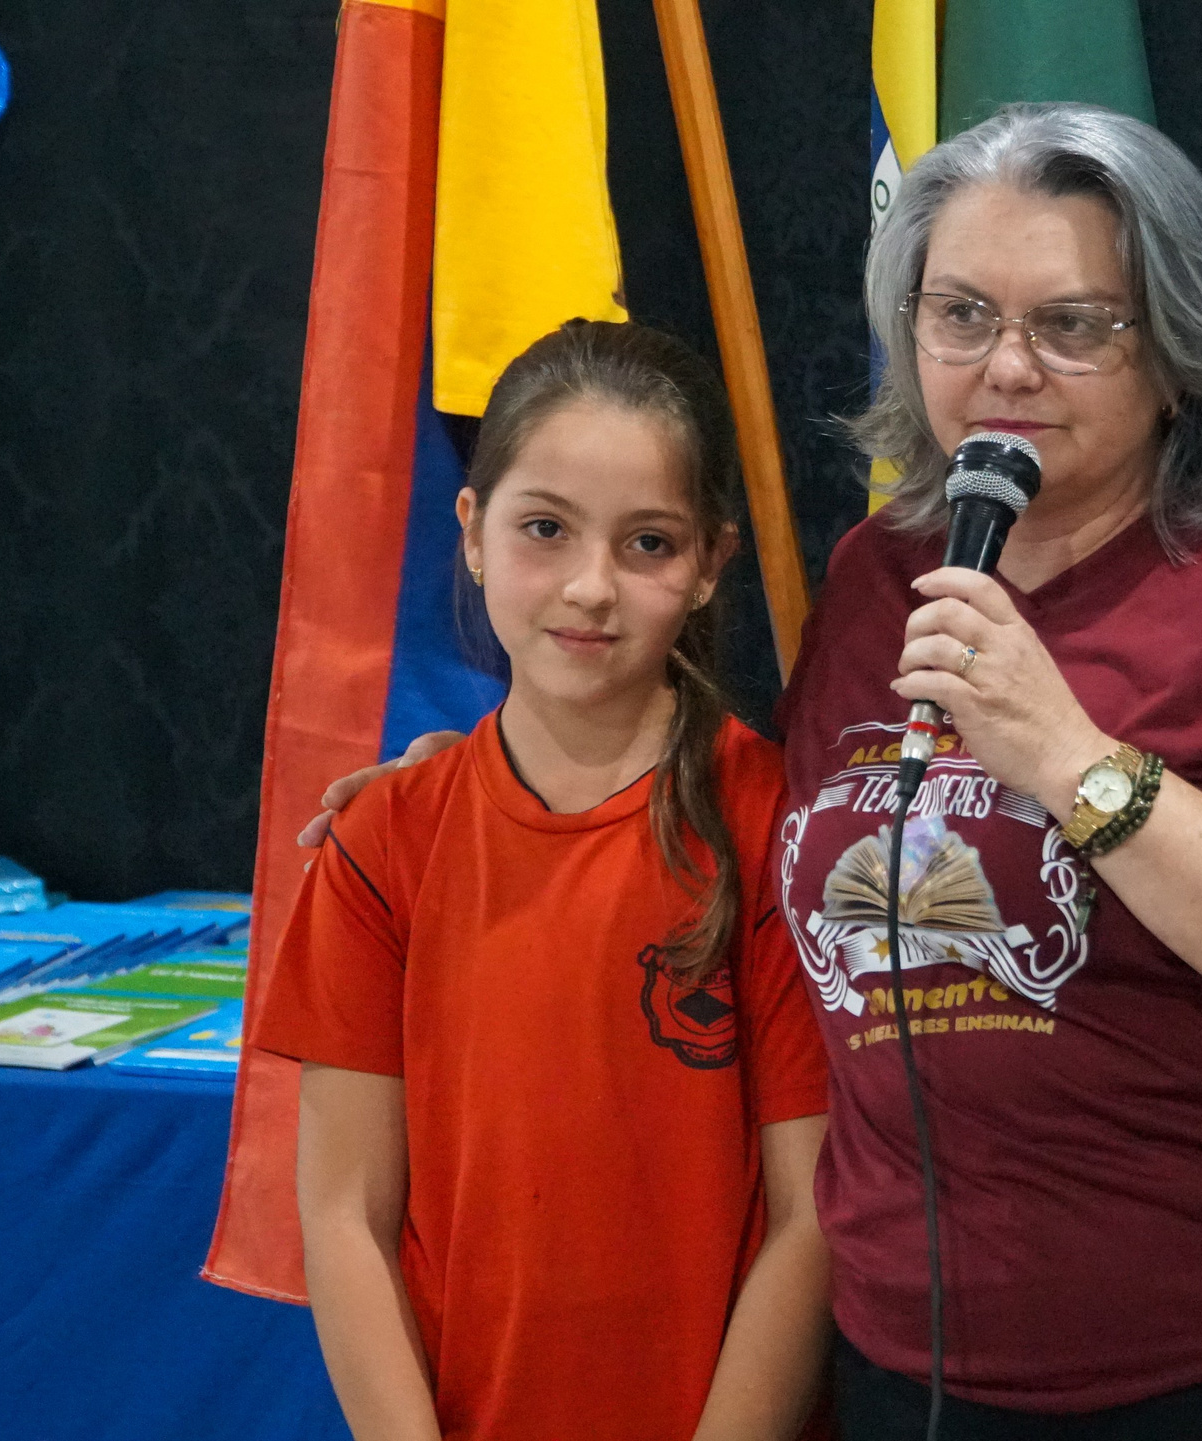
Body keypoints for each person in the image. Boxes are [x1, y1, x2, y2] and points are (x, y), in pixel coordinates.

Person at [312, 105, 1202, 1440]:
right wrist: (454, 790)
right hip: (917, 1372)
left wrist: (1066, 756)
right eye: (963, 315)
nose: (1009, 367)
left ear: (1173, 347)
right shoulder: (886, 578)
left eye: (1075, 324)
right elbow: (759, 820)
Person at [255, 319, 833, 1441]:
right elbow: (343, 1211)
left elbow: (810, 1215)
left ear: (712, 561)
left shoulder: (779, 830)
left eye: (647, 544)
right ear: (470, 532)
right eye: (544, 529)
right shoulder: (384, 844)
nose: (588, 587)